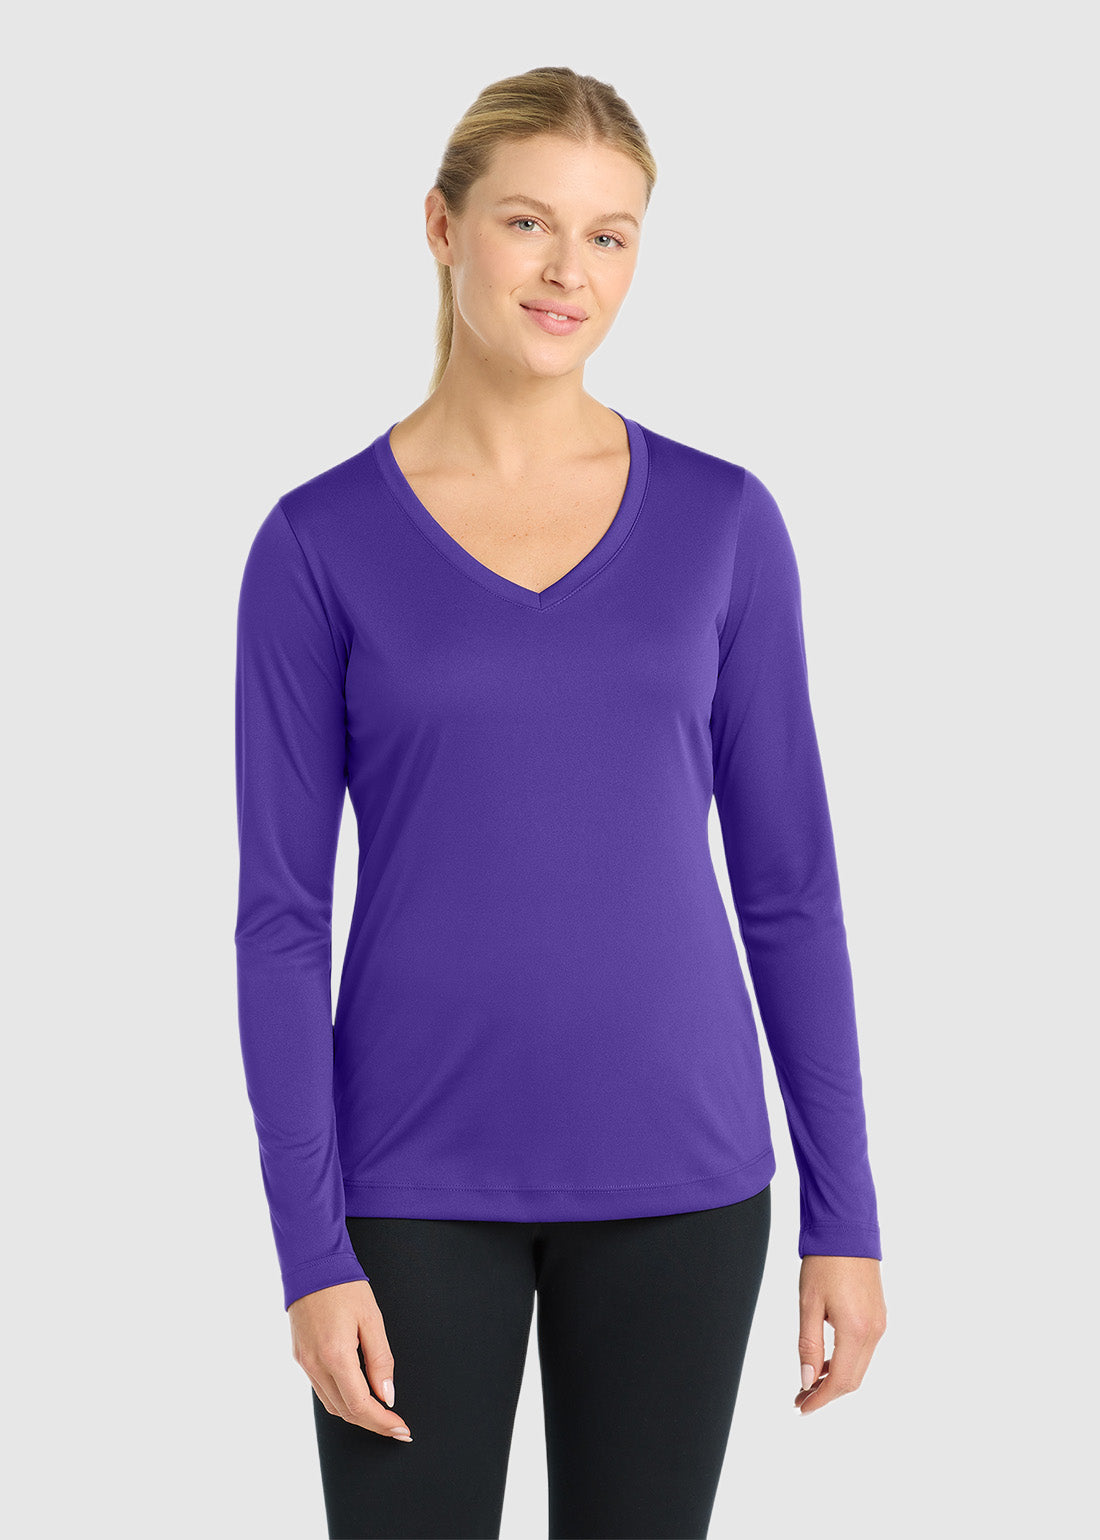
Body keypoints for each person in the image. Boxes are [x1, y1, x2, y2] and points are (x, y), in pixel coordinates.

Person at [234, 64, 887, 1540]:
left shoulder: (724, 524)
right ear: (442, 226)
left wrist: (845, 1214)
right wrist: (309, 1250)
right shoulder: (317, 545)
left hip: (682, 1179)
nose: (566, 271)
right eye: (528, 221)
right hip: (406, 1186)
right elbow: (279, 919)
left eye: (609, 234)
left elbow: (791, 890)